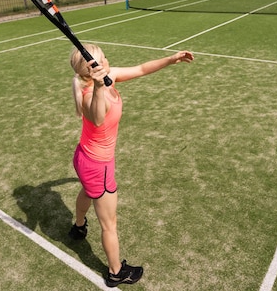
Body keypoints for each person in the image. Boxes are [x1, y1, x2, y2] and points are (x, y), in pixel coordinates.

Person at [67, 43, 194, 287]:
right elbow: (98, 116)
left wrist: (171, 59)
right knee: (109, 224)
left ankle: (79, 227)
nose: (106, 62)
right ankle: (116, 272)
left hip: (85, 158)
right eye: (101, 61)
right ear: (88, 72)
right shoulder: (89, 94)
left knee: (86, 191)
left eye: (104, 58)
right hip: (98, 165)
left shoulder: (107, 76)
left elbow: (140, 68)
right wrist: (97, 85)